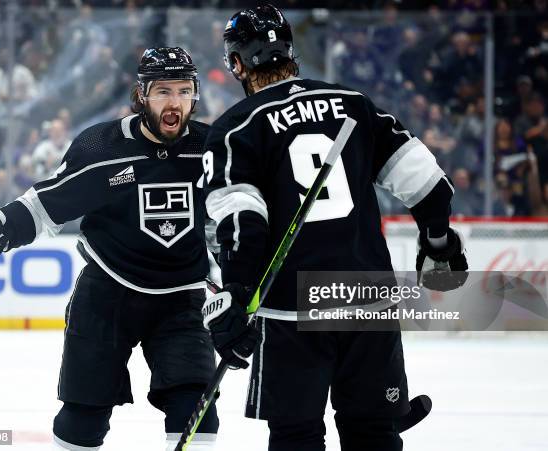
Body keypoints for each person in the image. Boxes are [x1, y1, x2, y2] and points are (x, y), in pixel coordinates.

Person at [200, 5, 468, 451]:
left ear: (236, 63)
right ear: (290, 49)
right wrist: (438, 242)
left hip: (291, 310)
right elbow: (428, 186)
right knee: (375, 433)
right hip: (367, 298)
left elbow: (243, 223)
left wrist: (236, 295)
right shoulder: (353, 104)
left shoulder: (235, 129)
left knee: (296, 435)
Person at [0, 47, 218, 451]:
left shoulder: (210, 148)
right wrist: (2, 227)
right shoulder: (102, 148)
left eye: (184, 91)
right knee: (83, 418)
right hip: (107, 297)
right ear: (141, 95)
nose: (174, 102)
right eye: (163, 91)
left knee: (197, 415)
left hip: (180, 301)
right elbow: (47, 204)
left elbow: (235, 213)